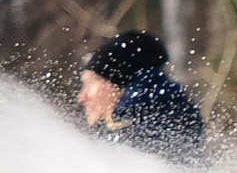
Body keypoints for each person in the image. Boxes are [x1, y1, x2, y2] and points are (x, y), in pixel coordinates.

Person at [78, 30, 205, 165]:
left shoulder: (147, 124)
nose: (81, 97)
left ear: (118, 84)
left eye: (91, 83)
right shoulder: (136, 120)